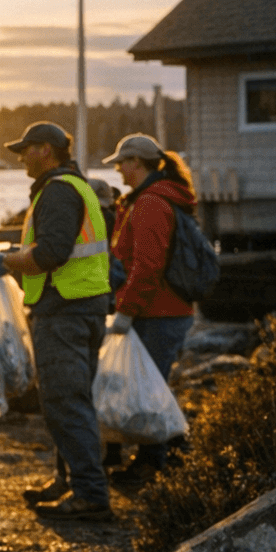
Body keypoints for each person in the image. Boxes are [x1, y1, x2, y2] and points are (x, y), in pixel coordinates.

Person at [0, 122, 113, 521]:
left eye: (26, 150)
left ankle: (90, 494)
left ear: (45, 150)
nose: (21, 158)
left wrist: (8, 261)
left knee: (65, 402)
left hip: (65, 310)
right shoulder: (76, 187)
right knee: (71, 399)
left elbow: (52, 253)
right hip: (84, 306)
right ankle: (68, 480)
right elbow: (63, 247)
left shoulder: (57, 191)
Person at [102, 132, 198, 487]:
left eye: (121, 163)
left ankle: (151, 466)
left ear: (136, 163)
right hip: (165, 309)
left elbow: (148, 266)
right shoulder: (155, 198)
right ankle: (167, 455)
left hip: (158, 311)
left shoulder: (150, 204)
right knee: (152, 385)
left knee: (150, 389)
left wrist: (126, 311)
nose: (118, 170)